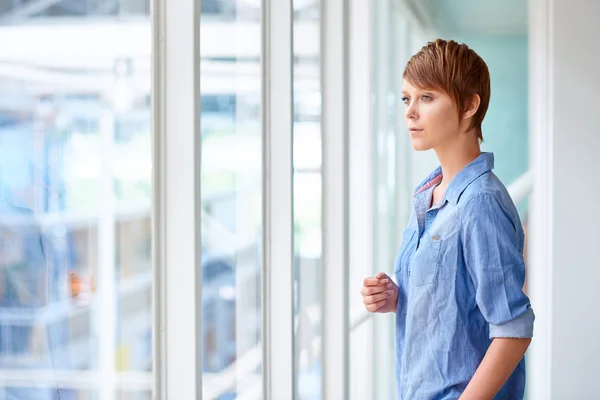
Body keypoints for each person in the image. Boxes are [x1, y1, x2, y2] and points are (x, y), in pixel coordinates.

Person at [361, 39, 534, 399]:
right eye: (407, 98)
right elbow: (454, 301)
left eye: (427, 97)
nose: (410, 112)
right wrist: (397, 295)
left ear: (470, 105)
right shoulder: (430, 194)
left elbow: (513, 331)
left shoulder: (481, 203)